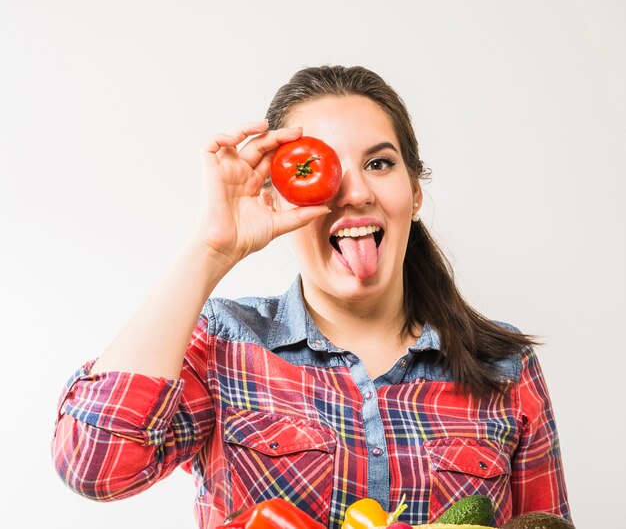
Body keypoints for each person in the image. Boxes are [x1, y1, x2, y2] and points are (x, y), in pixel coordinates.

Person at [52, 65, 571, 528]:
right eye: (316, 167)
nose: (356, 193)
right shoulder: (223, 347)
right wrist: (209, 250)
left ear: (415, 192)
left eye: (380, 163)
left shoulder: (505, 367)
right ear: (276, 196)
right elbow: (94, 467)